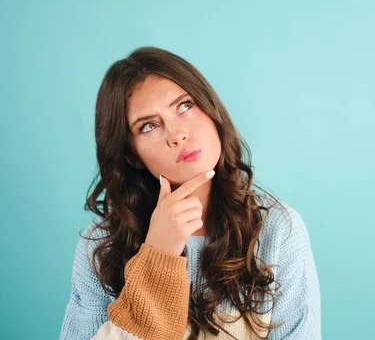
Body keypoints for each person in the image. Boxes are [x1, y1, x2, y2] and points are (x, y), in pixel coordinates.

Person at [58, 46, 321, 340]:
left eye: (184, 105)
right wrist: (158, 256)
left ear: (210, 108)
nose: (177, 135)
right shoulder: (101, 246)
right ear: (131, 156)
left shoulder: (277, 230)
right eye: (148, 126)